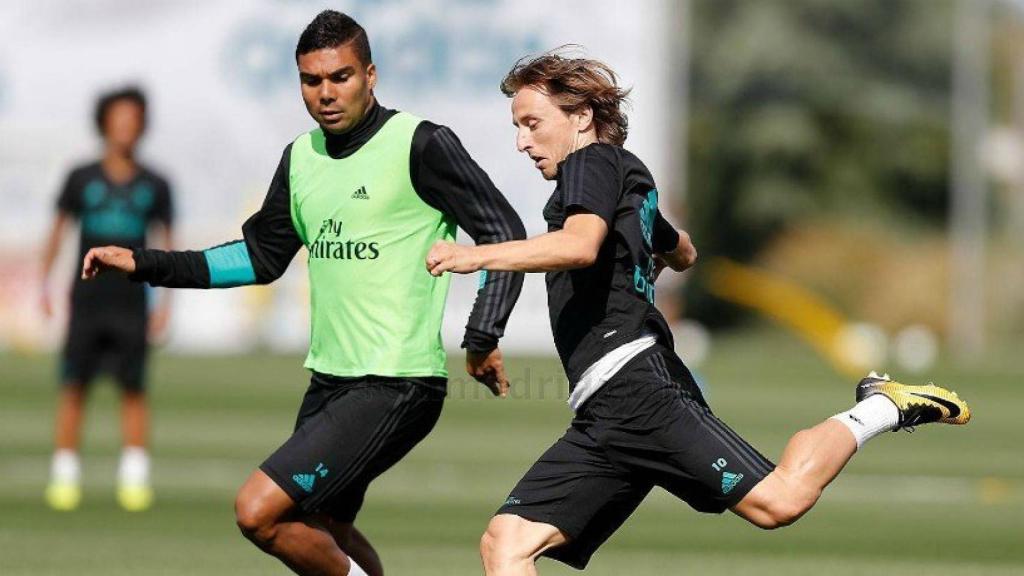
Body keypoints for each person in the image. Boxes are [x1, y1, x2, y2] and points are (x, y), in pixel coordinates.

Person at [425, 50, 972, 574]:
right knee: (507, 542)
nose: (522, 142)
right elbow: (683, 249)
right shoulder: (620, 176)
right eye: (517, 127)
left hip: (635, 389)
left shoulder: (590, 162)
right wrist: (654, 256)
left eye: (532, 123)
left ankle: (881, 405)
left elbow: (580, 246)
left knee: (779, 501)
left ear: (583, 117)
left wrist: (476, 255)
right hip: (602, 407)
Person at [80, 10, 525, 576]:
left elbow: (502, 231)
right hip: (328, 380)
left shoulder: (420, 143)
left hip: (395, 380)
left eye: (340, 76)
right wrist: (144, 263)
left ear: (370, 75)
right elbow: (258, 257)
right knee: (324, 530)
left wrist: (482, 334)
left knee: (258, 511)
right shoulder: (301, 158)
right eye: (311, 80)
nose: (325, 93)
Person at [40, 87, 174, 512]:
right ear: (104, 123)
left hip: (132, 303)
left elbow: (168, 245)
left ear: (142, 125)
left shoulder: (156, 184)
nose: (125, 127)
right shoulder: (81, 177)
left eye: (133, 119)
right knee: (73, 386)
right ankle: (64, 477)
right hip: (87, 302)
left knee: (133, 389)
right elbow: (58, 231)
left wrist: (166, 303)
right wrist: (44, 285)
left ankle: (134, 479)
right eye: (119, 118)